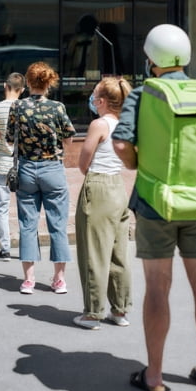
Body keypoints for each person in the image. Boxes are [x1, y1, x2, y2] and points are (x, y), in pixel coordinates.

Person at [112, 24, 196, 391]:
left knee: (158, 287)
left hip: (156, 202)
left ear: (151, 58)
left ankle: (154, 375)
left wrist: (138, 166)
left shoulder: (144, 93)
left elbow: (123, 145)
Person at [6, 62, 76, 294]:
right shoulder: (57, 107)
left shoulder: (18, 106)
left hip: (26, 168)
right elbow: (68, 138)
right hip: (52, 168)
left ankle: (29, 280)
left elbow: (9, 139)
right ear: (49, 82)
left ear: (28, 82)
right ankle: (59, 279)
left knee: (28, 225)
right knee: (58, 224)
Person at [74, 76, 133, 330]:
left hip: (98, 185)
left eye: (95, 95)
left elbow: (83, 162)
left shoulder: (99, 124)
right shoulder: (126, 123)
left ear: (102, 101)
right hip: (118, 187)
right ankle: (119, 310)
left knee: (94, 252)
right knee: (118, 253)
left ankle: (93, 313)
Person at [0, 72, 25, 261]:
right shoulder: (27, 107)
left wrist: (0, 136)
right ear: (22, 89)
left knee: (2, 208)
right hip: (24, 163)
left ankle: (5, 248)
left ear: (5, 86)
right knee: (26, 206)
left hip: (2, 162)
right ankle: (27, 247)